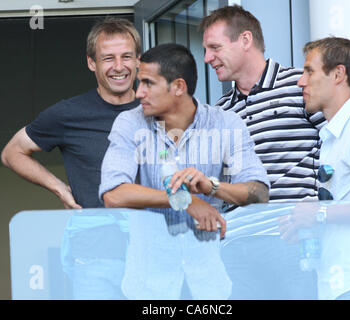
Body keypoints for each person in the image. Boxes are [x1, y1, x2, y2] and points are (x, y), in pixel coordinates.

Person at [99, 43, 270, 299]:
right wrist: (184, 201)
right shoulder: (130, 122)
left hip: (209, 281)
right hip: (149, 285)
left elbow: (259, 193)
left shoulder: (225, 124)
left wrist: (211, 187)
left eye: (147, 83)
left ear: (178, 86)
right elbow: (113, 194)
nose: (138, 93)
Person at [1, 17, 141, 299]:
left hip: (154, 254)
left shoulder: (159, 110)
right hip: (93, 257)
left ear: (138, 60)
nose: (118, 66)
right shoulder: (69, 113)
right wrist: (59, 189)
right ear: (92, 63)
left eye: (126, 56)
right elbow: (12, 152)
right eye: (108, 58)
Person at [200, 5, 325, 299]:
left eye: (214, 47)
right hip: (236, 249)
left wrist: (321, 216)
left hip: (292, 243)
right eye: (206, 50)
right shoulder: (219, 113)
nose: (207, 58)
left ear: (245, 40)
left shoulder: (300, 87)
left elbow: (337, 151)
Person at [279, 36, 350, 300]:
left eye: (309, 71)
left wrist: (318, 214)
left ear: (338, 74)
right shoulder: (335, 134)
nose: (301, 81)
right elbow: (345, 205)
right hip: (342, 286)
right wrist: (305, 223)